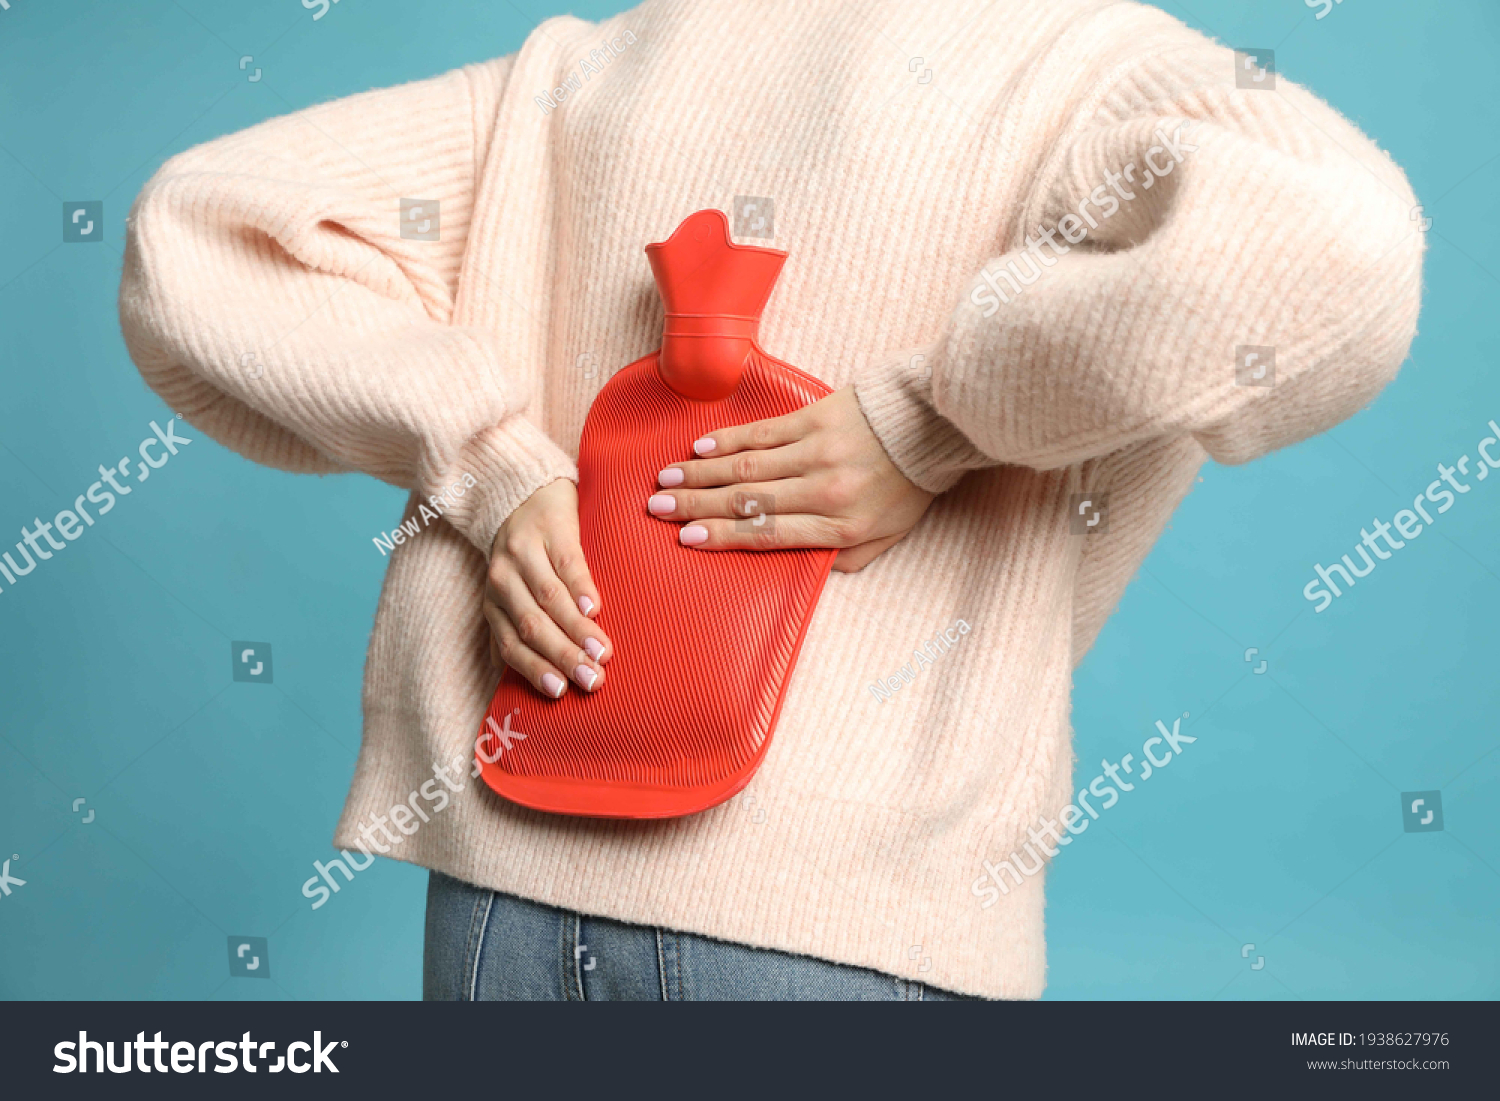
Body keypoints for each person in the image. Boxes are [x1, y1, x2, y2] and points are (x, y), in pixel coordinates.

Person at [119, 0, 1423, 1000]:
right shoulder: (1095, 75)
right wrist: (933, 423)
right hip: (846, 929)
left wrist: (491, 464)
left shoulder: (582, 70)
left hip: (499, 906)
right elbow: (1341, 256)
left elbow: (194, 232)